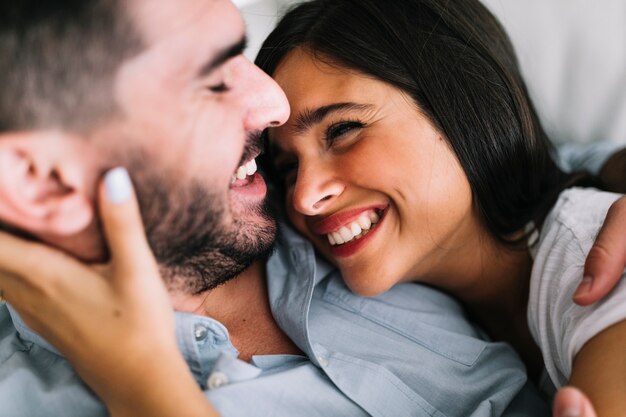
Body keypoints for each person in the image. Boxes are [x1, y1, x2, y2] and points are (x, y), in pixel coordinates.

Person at [0, 1, 623, 417]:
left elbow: (521, 157)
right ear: (36, 179)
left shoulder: (280, 212)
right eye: (212, 79)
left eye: (343, 130)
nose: (270, 103)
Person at [253, 0, 626, 414]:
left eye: (342, 130)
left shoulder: (591, 260)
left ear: (466, 103)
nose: (304, 196)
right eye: (288, 168)